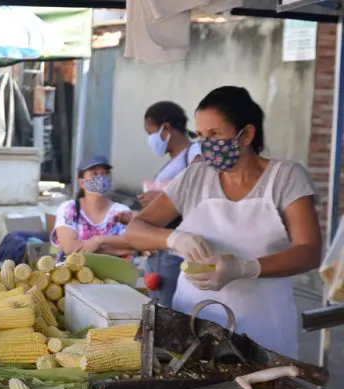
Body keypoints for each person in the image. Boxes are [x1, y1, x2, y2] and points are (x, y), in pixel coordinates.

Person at [125, 86, 321, 359]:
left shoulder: (285, 178)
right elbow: (135, 230)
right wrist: (173, 239)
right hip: (195, 324)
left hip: (265, 328)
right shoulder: (195, 176)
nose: (207, 144)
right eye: (201, 136)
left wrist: (245, 268)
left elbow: (309, 251)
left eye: (215, 134)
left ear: (247, 135)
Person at [139, 101, 203, 308]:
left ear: (166, 128)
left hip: (176, 246)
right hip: (160, 247)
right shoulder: (174, 160)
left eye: (151, 133)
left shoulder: (194, 153)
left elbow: (201, 188)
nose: (150, 140)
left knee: (168, 314)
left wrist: (161, 196)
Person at [51, 155, 134, 262]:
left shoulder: (121, 212)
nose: (101, 178)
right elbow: (70, 249)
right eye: (94, 174)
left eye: (105, 173)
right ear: (81, 182)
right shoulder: (70, 209)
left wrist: (98, 241)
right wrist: (113, 246)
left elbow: (131, 245)